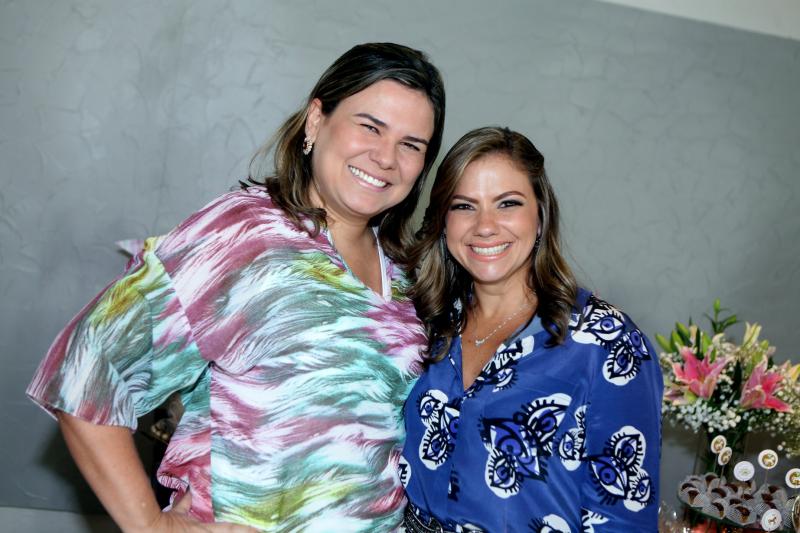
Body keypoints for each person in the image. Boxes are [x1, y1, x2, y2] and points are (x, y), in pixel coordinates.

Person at [27, 42, 445, 532]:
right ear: (316, 121)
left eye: (411, 145)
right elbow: (88, 366)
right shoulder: (243, 234)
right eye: (370, 126)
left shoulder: (404, 274)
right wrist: (151, 526)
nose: (386, 157)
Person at [399, 127, 662, 532]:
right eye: (464, 206)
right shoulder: (423, 321)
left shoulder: (606, 342)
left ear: (540, 215)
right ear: (443, 222)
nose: (485, 226)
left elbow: (623, 514)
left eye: (507, 203)